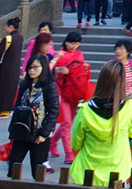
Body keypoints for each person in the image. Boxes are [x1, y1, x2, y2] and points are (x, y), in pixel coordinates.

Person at [70, 60, 132, 187]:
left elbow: (75, 144)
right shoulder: (130, 108)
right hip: (118, 174)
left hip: (86, 174)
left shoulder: (85, 110)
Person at [8, 54, 60, 179]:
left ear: (44, 68)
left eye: (35, 67)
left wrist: (44, 133)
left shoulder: (49, 86)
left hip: (39, 134)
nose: (31, 71)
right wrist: (12, 131)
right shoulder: (24, 84)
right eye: (30, 68)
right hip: (21, 131)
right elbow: (17, 108)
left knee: (37, 171)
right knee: (13, 167)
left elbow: (54, 111)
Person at [52, 32, 90, 165]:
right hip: (62, 92)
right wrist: (57, 71)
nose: (74, 46)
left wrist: (85, 68)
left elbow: (81, 73)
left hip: (74, 92)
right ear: (66, 42)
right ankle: (69, 153)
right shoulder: (60, 55)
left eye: (77, 44)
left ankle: (53, 142)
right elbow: (52, 74)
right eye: (72, 43)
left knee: (66, 123)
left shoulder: (79, 54)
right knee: (67, 123)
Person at [0, 16, 23, 117]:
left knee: (3, 88)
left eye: (6, 27)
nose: (5, 29)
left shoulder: (8, 38)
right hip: (14, 67)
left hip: (5, 68)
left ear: (11, 26)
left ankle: (4, 110)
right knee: (9, 89)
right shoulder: (20, 37)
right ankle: (6, 109)